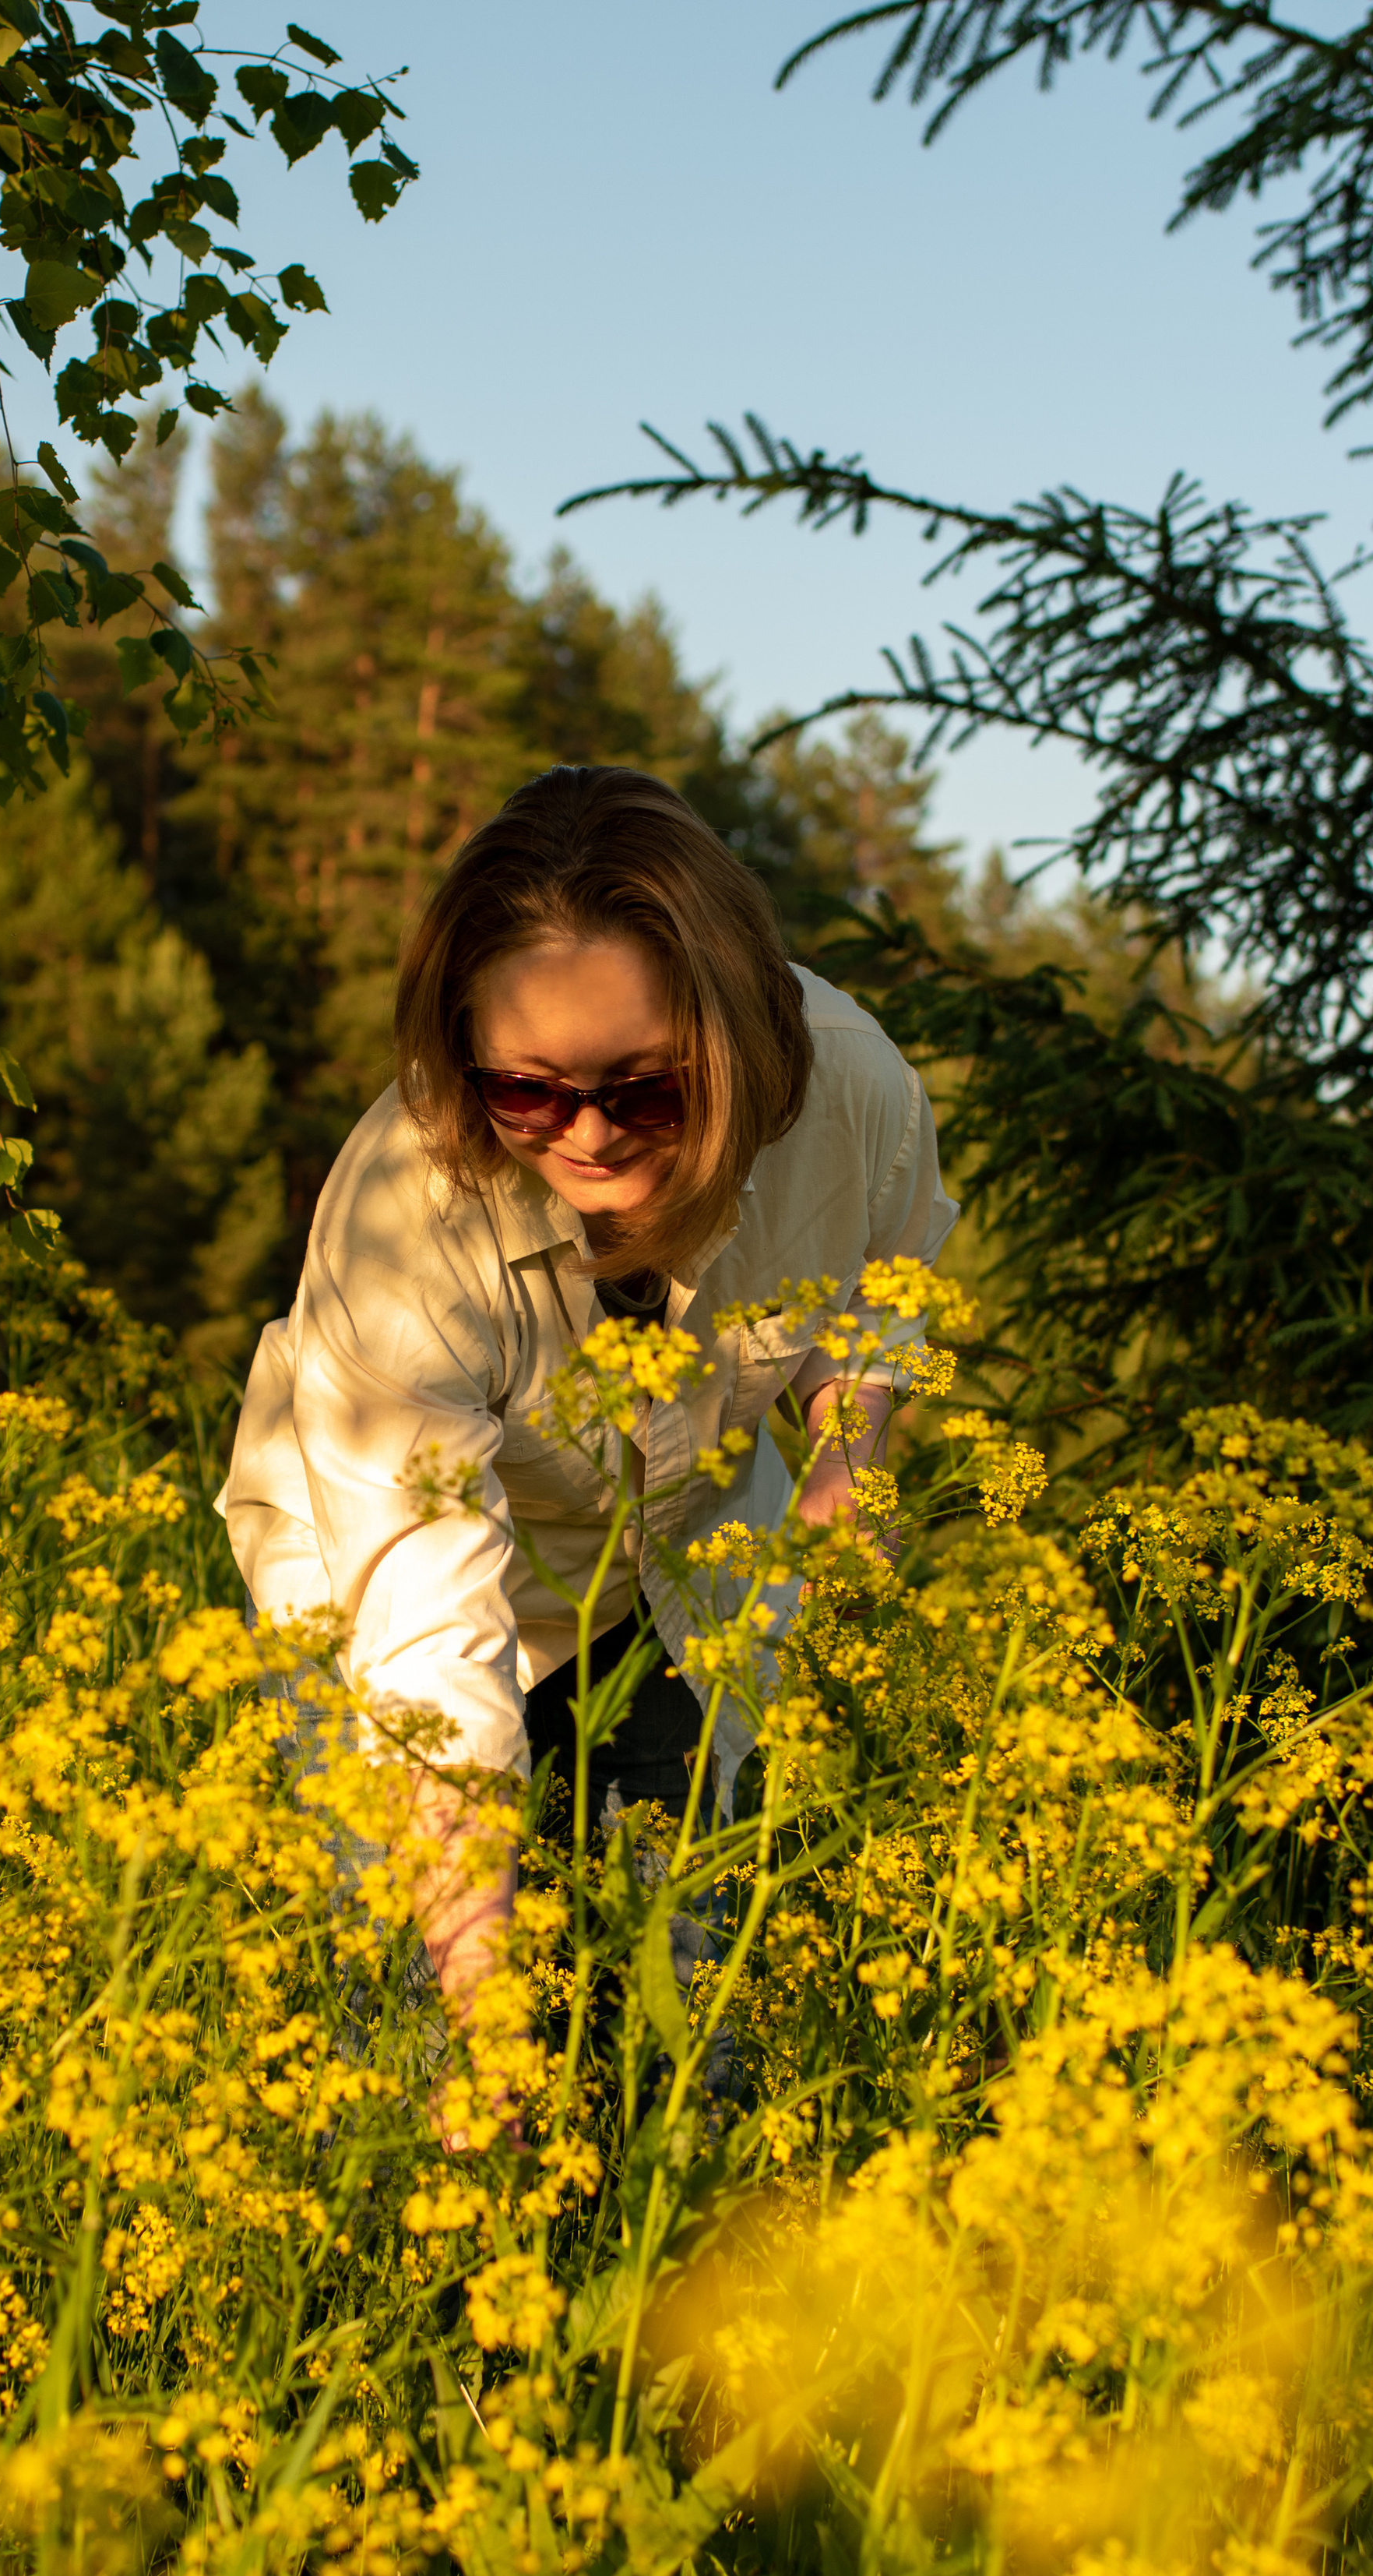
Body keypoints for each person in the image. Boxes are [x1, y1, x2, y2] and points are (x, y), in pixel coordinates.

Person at [217, 765, 956, 2016]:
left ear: (731, 1036)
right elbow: (426, 1628)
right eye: (526, 1090)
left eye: (647, 1086)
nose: (590, 1136)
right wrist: (476, 1979)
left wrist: (844, 1451)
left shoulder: (849, 1088)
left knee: (684, 2001)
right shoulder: (406, 1215)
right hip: (386, 1586)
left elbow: (884, 1276)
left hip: (678, 1564)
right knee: (410, 2018)